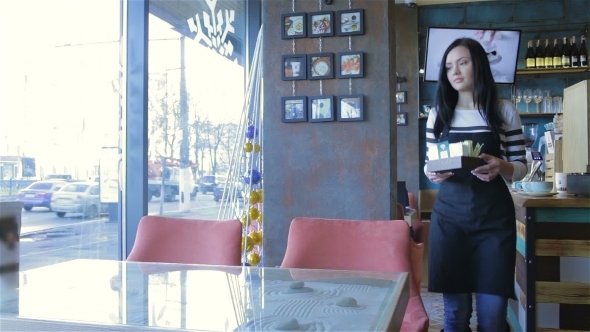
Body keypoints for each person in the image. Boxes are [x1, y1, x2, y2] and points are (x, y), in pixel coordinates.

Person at [424, 38, 527, 332]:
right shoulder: (438, 115)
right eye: (448, 66)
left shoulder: (503, 111)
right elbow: (430, 162)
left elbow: (521, 168)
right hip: (449, 220)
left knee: (492, 319)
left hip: (494, 221)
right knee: (455, 318)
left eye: (463, 62)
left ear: (479, 64)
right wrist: (432, 173)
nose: (454, 71)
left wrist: (502, 166)